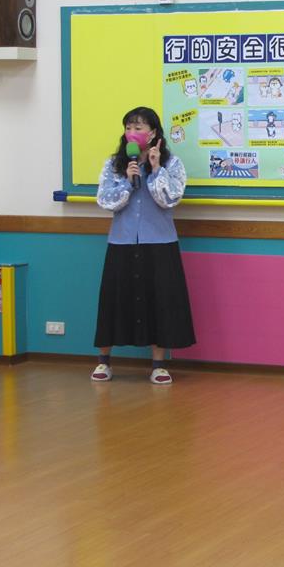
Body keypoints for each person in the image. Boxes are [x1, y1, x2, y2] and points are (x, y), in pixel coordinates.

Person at [91, 107, 195, 384]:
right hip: (122, 242)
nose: (132, 133)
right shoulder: (114, 164)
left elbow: (169, 199)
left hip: (160, 243)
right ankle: (103, 362)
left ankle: (158, 365)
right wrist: (127, 181)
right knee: (114, 301)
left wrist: (156, 169)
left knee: (160, 303)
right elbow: (105, 201)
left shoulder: (172, 164)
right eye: (128, 127)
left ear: (153, 133)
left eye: (138, 127)